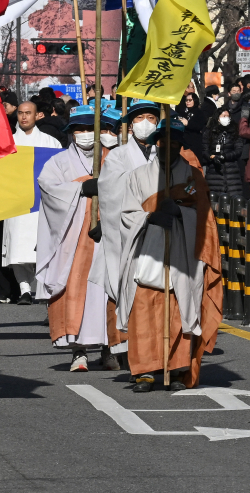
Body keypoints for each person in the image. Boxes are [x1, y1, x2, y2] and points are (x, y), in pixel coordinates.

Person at [114, 118, 222, 392]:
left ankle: (176, 369)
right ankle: (145, 371)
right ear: (155, 143)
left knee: (179, 308)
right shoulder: (137, 176)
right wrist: (150, 217)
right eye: (164, 141)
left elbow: (205, 218)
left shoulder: (193, 177)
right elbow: (126, 215)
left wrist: (181, 213)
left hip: (183, 254)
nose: (168, 147)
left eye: (175, 142)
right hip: (147, 253)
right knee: (144, 309)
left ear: (181, 145)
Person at [36, 105, 121, 372]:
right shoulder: (59, 163)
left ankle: (110, 349)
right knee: (76, 290)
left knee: (110, 292)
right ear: (71, 133)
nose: (85, 134)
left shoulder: (115, 159)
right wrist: (81, 188)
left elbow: (128, 190)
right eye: (79, 130)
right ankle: (78, 350)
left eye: (89, 129)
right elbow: (49, 190)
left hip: (108, 235)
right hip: (73, 238)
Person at [91, 99, 163, 363]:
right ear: (131, 125)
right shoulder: (119, 156)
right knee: (120, 284)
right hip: (126, 230)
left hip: (156, 229)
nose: (146, 123)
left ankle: (150, 346)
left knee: (152, 288)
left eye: (151, 118)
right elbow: (111, 192)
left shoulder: (163, 154)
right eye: (139, 118)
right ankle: (116, 346)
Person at [3, 101, 64, 305]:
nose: (24, 117)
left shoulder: (50, 142)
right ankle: (24, 289)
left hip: (43, 202)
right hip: (17, 201)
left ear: (37, 115)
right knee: (18, 246)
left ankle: (43, 288)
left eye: (28, 113)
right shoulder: (8, 143)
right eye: (20, 113)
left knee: (43, 244)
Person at [202, 107, 245, 197]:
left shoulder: (234, 132)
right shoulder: (209, 132)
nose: (226, 118)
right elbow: (205, 150)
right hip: (214, 173)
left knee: (234, 202)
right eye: (223, 116)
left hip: (232, 173)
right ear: (218, 117)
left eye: (228, 116)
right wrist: (212, 157)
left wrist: (225, 156)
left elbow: (238, 150)